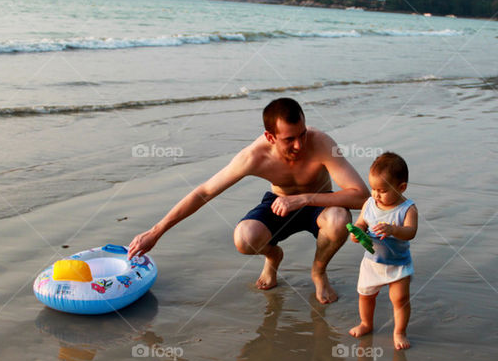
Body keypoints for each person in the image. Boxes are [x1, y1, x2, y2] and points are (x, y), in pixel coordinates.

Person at [127, 98, 368, 304]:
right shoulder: (253, 157)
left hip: (318, 206)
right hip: (279, 204)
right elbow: (204, 192)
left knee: (339, 219)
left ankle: (318, 271)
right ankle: (273, 256)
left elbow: (360, 195)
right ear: (270, 137)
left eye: (303, 134)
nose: (299, 144)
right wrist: (156, 231)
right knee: (244, 239)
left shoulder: (321, 143)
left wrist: (304, 198)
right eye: (289, 139)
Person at [348, 152, 417, 349]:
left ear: (401, 187)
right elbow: (361, 222)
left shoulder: (407, 209)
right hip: (372, 263)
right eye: (373, 188)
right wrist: (357, 232)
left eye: (383, 190)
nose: (376, 194)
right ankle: (366, 323)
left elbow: (411, 232)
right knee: (366, 295)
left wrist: (394, 229)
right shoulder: (370, 204)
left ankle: (399, 332)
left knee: (400, 299)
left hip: (398, 264)